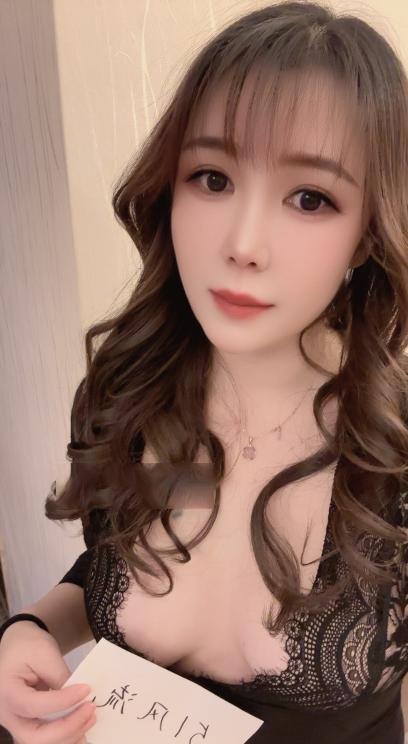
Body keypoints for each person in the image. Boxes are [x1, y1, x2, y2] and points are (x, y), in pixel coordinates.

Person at [0, 2, 407, 742]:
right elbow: (115, 572)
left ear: (365, 231)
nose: (243, 243)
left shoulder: (394, 451)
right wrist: (27, 630)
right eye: (212, 178)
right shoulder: (137, 395)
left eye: (309, 198)